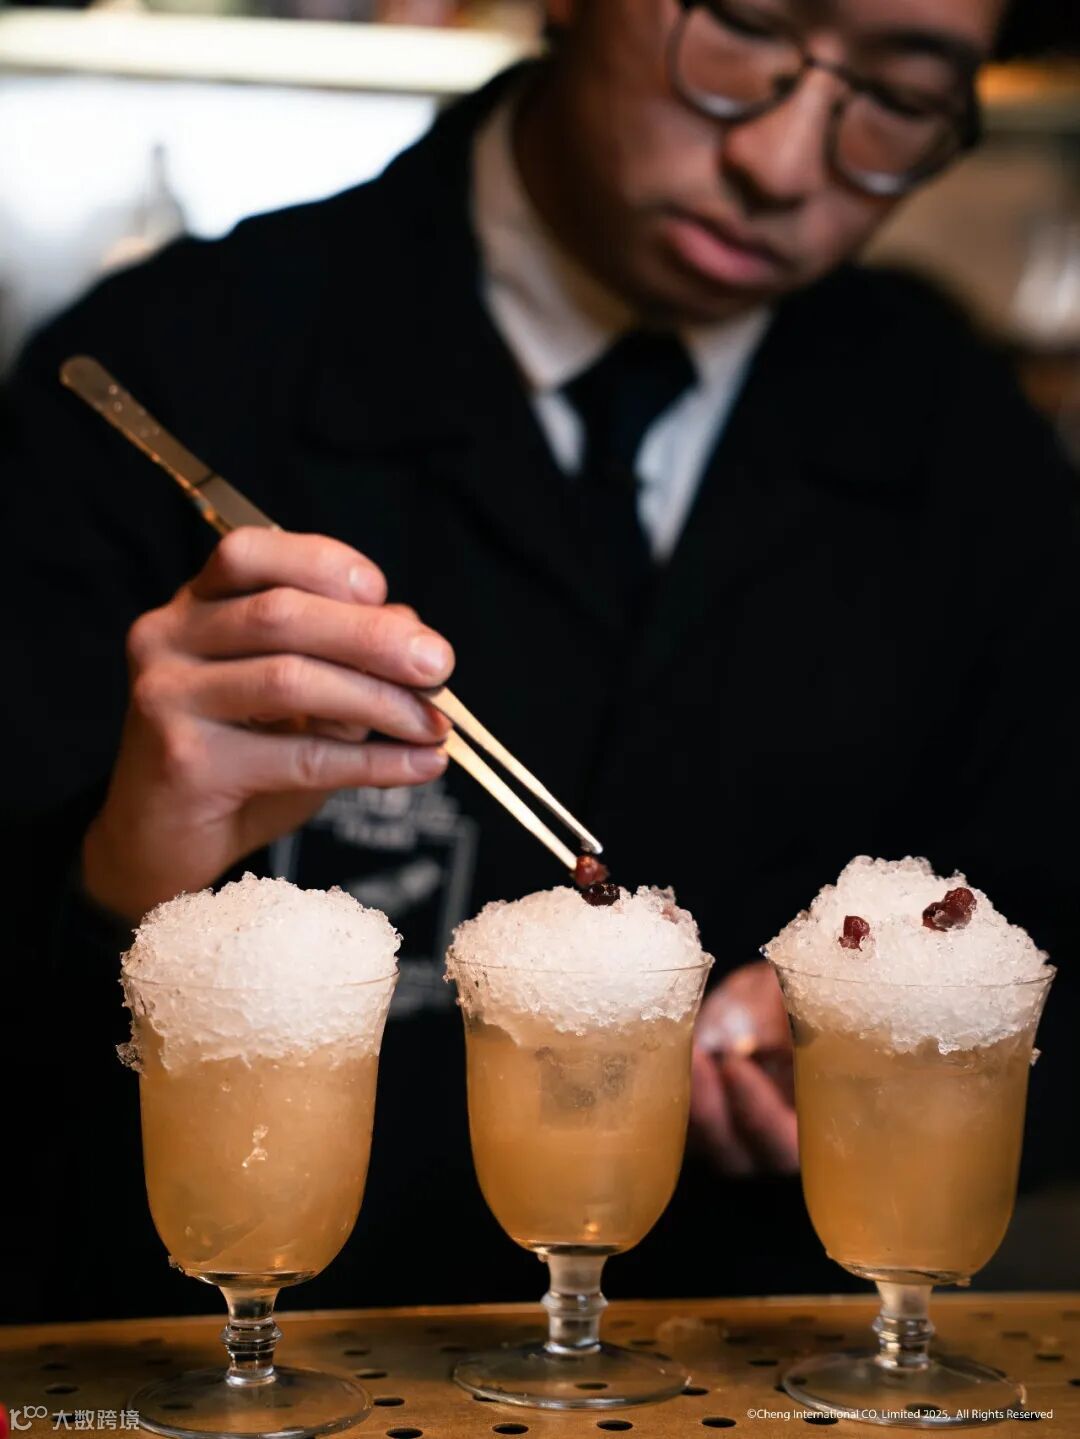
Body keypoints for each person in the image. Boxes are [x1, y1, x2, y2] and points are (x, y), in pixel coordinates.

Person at [4, 0, 1077, 1323]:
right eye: (743, 31)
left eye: (901, 98)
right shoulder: (171, 375)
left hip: (752, 1372)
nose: (785, 164)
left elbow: (1057, 912)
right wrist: (112, 880)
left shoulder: (966, 442)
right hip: (226, 1361)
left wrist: (910, 1049)